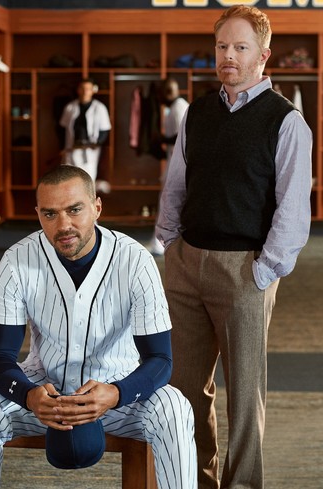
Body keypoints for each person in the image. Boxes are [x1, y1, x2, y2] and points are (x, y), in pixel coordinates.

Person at [0, 164, 197, 489]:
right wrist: (29, 396)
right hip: (42, 391)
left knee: (174, 407)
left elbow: (160, 360)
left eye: (74, 210)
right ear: (38, 214)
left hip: (118, 391)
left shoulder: (135, 260)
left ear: (97, 207)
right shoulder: (16, 260)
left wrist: (116, 393)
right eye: (50, 214)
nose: (63, 225)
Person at [156, 6, 312, 489]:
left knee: (244, 397)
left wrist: (265, 272)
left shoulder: (286, 122)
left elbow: (292, 209)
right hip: (185, 266)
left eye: (240, 47)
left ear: (263, 55)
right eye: (222, 46)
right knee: (182, 391)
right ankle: (193, 479)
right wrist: (168, 241)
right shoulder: (197, 111)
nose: (228, 56)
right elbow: (178, 182)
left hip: (244, 270)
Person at [147, 77, 189, 256]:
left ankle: (160, 243)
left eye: (160, 93)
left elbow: (183, 135)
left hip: (179, 163)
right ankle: (162, 241)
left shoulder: (179, 106)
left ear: (167, 92)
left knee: (168, 201)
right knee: (168, 202)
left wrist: (161, 139)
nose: (158, 98)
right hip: (174, 161)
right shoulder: (174, 107)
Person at [59, 78, 111, 191]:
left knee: (87, 181)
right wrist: (62, 147)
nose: (85, 91)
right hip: (71, 148)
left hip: (89, 150)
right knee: (69, 180)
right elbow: (62, 129)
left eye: (88, 89)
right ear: (78, 90)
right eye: (82, 88)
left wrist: (96, 143)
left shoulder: (100, 108)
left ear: (92, 90)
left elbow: (105, 130)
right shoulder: (70, 107)